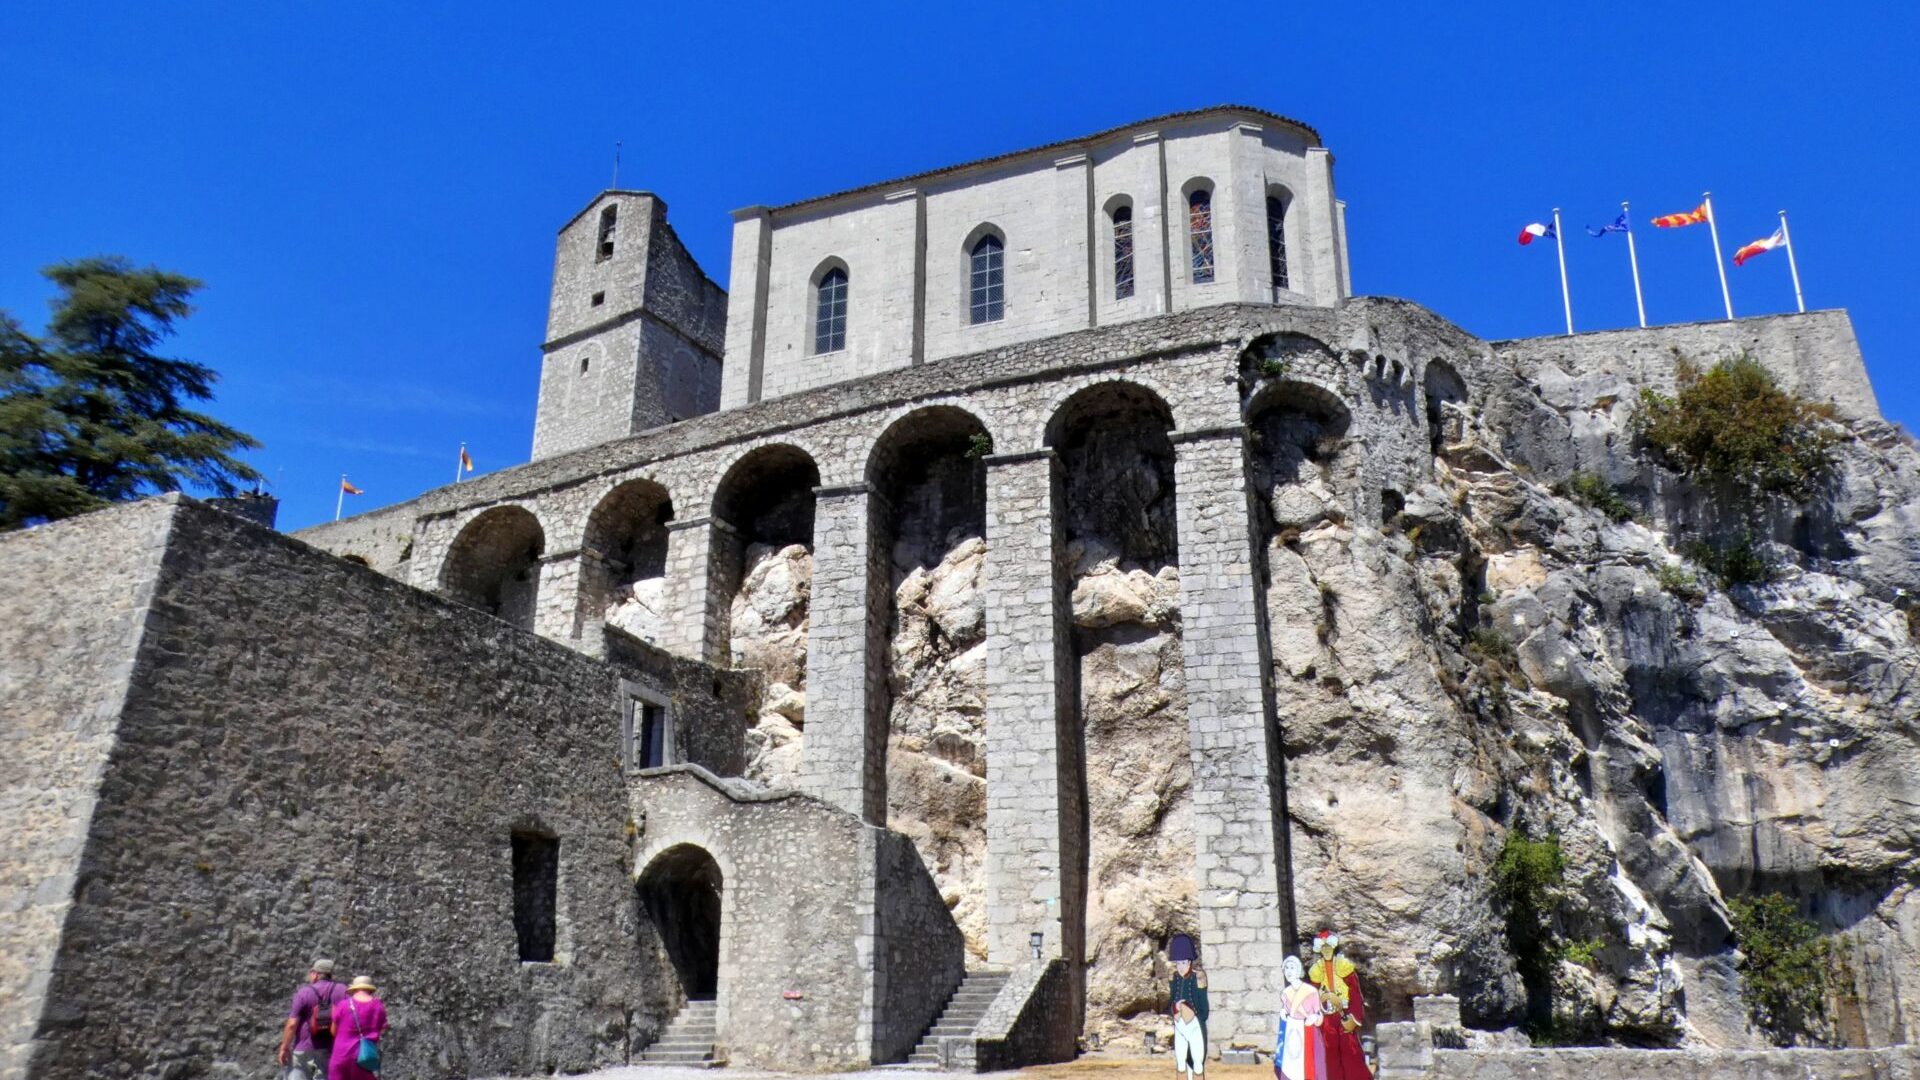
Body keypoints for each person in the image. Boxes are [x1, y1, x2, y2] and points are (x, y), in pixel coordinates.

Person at [1306, 931, 1371, 1080]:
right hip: (1327, 1018)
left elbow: (1355, 994)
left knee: (1350, 1050)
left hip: (1345, 1014)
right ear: (1320, 950)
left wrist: (1354, 1019)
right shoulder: (1316, 971)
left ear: (1333, 947)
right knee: (1329, 1052)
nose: (1326, 950)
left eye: (1329, 947)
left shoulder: (1344, 967)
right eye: (1324, 948)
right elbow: (1312, 997)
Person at [277, 958, 346, 1080]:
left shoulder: (304, 992)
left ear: (316, 974)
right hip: (329, 1049)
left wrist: (284, 1047)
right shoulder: (342, 991)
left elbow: (292, 1024)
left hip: (304, 1049)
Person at [1275, 955, 1326, 1080]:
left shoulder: (1311, 991)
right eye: (1286, 968)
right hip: (1292, 1034)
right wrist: (1283, 1013)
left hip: (1309, 1033)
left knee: (1310, 1068)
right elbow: (1287, 1011)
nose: (1289, 971)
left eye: (1292, 968)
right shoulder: (1285, 993)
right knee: (1290, 1068)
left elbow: (1319, 1015)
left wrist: (1315, 1018)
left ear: (1298, 970)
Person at [328, 975, 387, 1080]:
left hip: (341, 1055)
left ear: (354, 989)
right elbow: (381, 1029)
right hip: (364, 1057)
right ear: (370, 990)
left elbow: (333, 1031)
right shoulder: (378, 1006)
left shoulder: (343, 1005)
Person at [1167, 933, 1208, 1078]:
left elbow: (1204, 1009)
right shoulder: (1174, 978)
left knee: (1197, 1062)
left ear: (1190, 962)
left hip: (1194, 1024)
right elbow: (1170, 1002)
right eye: (1178, 963)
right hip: (1179, 1023)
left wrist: (1193, 1017)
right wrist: (1175, 1009)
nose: (1180, 967)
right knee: (1180, 1062)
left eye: (1183, 963)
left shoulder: (1198, 977)